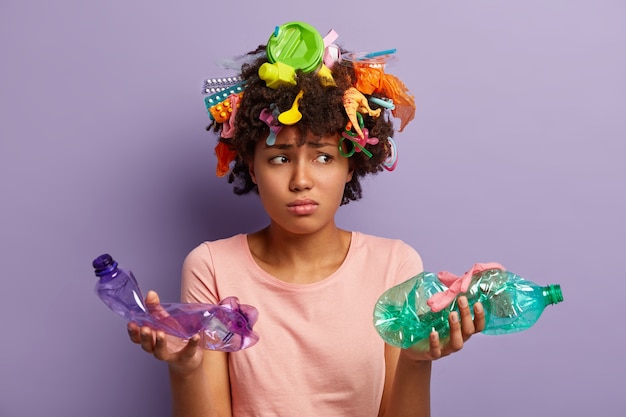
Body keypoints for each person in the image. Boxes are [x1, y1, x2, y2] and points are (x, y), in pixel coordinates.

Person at [127, 21, 485, 417]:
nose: (300, 181)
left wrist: (418, 363)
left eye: (323, 157)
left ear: (351, 164)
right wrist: (186, 367)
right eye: (279, 158)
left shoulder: (395, 266)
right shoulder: (211, 267)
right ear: (251, 164)